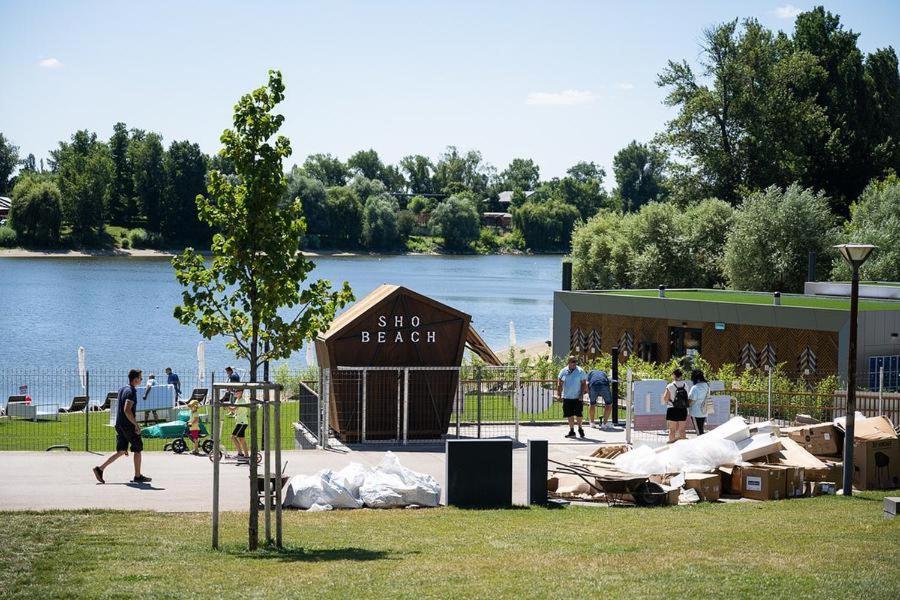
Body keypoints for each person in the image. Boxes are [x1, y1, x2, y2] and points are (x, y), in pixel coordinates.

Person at [92, 369, 152, 484]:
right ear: (135, 379)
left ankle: (100, 469)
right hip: (128, 425)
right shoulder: (131, 391)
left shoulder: (122, 389)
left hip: (119, 424)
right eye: (141, 378)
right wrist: (136, 424)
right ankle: (138, 476)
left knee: (121, 450)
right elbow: (127, 410)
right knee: (137, 449)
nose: (142, 380)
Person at [557, 356, 588, 439]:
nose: (574, 363)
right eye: (573, 361)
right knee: (569, 414)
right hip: (567, 397)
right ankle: (572, 431)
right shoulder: (564, 371)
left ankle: (580, 428)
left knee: (579, 414)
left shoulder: (580, 371)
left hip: (577, 397)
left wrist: (581, 394)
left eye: (575, 361)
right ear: (569, 362)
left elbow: (583, 383)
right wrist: (559, 394)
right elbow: (560, 383)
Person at [662, 368, 689, 443]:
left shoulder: (670, 386)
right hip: (683, 409)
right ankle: (683, 447)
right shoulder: (685, 385)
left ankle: (671, 447)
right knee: (682, 430)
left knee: (672, 430)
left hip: (672, 409)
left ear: (674, 375)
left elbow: (665, 399)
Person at [688, 368, 711, 436]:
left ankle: (701, 445)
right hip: (704, 411)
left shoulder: (695, 388)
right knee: (701, 429)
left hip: (696, 412)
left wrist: (685, 404)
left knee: (698, 431)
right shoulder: (707, 386)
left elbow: (691, 401)